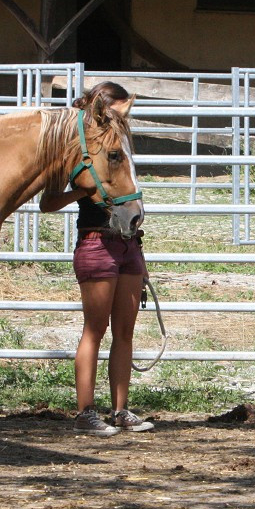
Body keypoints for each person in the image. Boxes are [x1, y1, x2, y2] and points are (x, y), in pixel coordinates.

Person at [39, 82, 154, 437]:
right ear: (103, 111)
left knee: (125, 332)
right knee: (95, 330)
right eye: (119, 111)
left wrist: (140, 255)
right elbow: (48, 202)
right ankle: (86, 411)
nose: (124, 118)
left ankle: (120, 409)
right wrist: (83, 191)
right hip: (95, 242)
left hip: (128, 244)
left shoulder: (118, 146)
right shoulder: (80, 151)